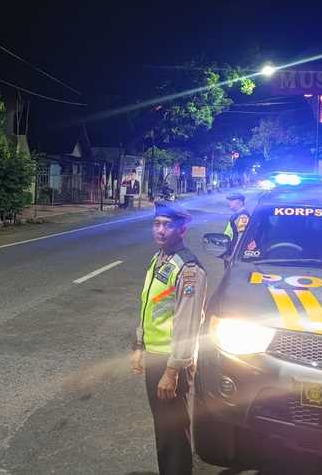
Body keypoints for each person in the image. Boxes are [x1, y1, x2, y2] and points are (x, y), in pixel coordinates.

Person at [131, 202, 207, 475]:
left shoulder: (189, 269)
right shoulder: (160, 259)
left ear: (182, 229)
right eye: (157, 224)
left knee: (173, 433)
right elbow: (149, 305)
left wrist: (173, 371)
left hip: (171, 361)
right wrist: (139, 345)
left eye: (168, 225)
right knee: (163, 430)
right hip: (156, 356)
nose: (161, 230)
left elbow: (187, 324)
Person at [222, 192, 251, 258]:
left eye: (232, 201)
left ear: (240, 203)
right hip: (230, 249)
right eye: (229, 201)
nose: (229, 203)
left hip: (234, 252)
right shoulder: (237, 214)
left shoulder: (243, 216)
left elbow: (241, 238)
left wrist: (234, 255)